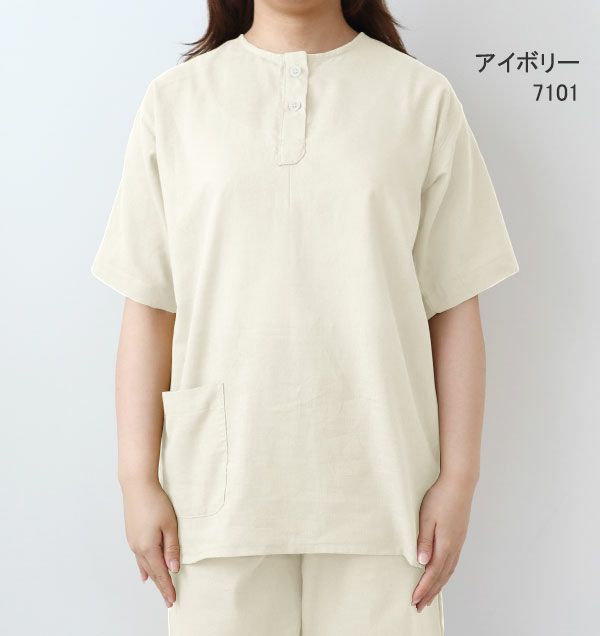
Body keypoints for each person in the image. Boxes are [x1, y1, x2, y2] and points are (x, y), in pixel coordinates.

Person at [91, 1, 519, 634]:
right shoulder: (175, 102)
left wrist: (459, 480)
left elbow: (454, 306)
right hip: (215, 505)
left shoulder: (420, 99)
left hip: (386, 499)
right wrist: (136, 479)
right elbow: (151, 306)